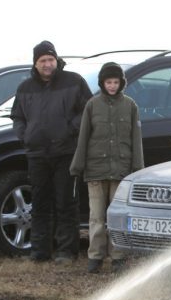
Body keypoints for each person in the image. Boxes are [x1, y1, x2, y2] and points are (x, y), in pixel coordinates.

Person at [11, 40, 93, 262]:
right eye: (42, 60)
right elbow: (17, 116)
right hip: (37, 154)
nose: (47, 64)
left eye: (51, 59)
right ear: (35, 63)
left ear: (57, 60)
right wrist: (24, 134)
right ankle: (39, 251)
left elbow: (88, 110)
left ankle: (66, 251)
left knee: (66, 203)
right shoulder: (25, 88)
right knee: (40, 204)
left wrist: (69, 130)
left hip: (65, 152)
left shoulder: (74, 82)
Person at [70, 62, 144, 273]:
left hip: (121, 171)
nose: (112, 86)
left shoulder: (130, 105)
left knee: (118, 217)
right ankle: (95, 257)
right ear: (102, 83)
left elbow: (136, 140)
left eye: (116, 82)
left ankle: (118, 257)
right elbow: (83, 137)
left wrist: (137, 169)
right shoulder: (92, 105)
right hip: (95, 170)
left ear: (121, 83)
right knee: (96, 217)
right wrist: (78, 166)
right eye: (108, 82)